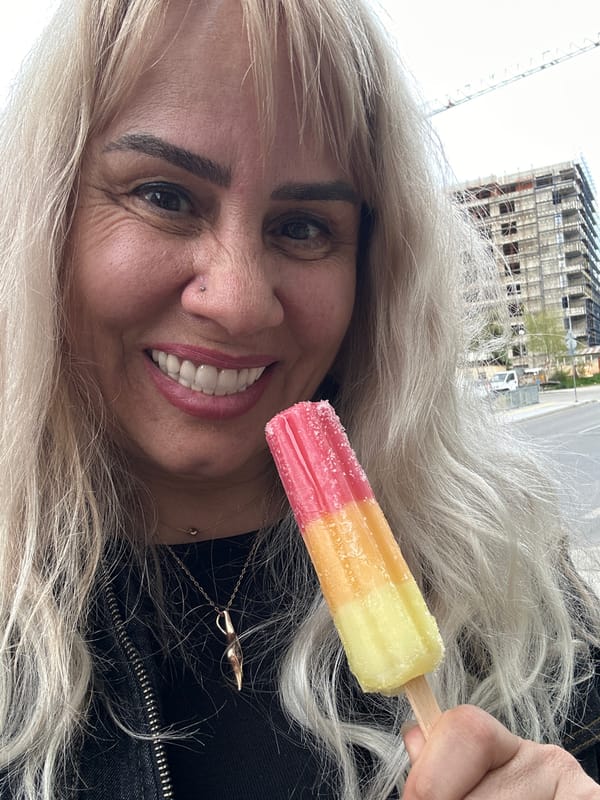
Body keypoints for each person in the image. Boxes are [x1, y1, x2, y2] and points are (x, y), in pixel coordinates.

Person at [0, 0, 598, 798]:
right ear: (45, 221)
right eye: (165, 195)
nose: (242, 301)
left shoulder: (516, 596)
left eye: (306, 226)